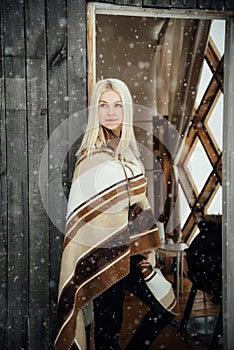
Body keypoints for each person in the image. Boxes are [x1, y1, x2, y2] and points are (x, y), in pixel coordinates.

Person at [54, 78, 176, 350]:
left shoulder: (128, 155)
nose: (111, 112)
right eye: (103, 105)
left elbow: (138, 206)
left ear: (126, 110)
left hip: (130, 254)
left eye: (118, 105)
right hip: (102, 257)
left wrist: (144, 247)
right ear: (95, 111)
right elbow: (89, 217)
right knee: (109, 333)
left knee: (165, 307)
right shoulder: (89, 157)